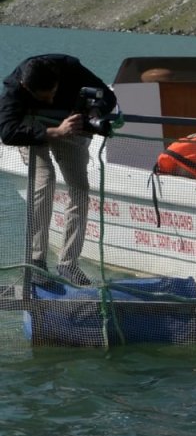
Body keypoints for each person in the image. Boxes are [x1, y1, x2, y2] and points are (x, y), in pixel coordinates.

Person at [0, 54, 116, 286]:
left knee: (80, 190)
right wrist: (54, 132)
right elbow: (7, 133)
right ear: (26, 86)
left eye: (54, 92)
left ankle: (68, 264)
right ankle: (37, 262)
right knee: (45, 181)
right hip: (32, 130)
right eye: (45, 97)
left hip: (69, 126)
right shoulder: (13, 87)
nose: (51, 99)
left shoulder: (70, 68)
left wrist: (94, 113)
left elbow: (108, 96)